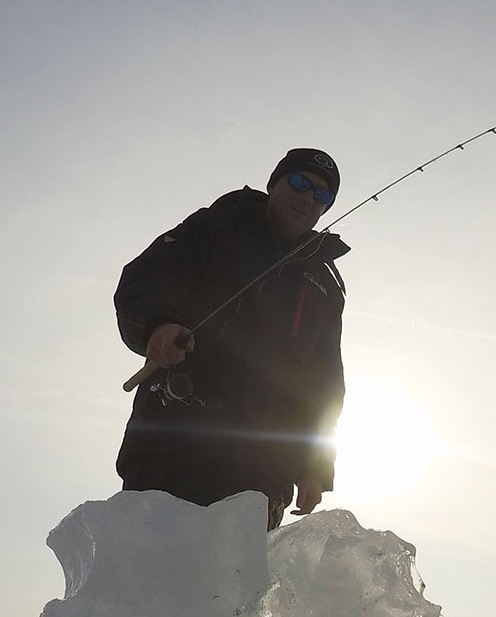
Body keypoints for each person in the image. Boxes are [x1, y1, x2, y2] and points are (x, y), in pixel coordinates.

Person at [114, 148, 348, 528]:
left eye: (322, 195)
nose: (309, 198)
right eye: (301, 182)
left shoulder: (326, 285)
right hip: (173, 437)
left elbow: (323, 384)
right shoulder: (218, 225)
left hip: (261, 468)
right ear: (275, 183)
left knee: (232, 583)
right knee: (150, 568)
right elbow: (145, 276)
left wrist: (315, 465)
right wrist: (157, 326)